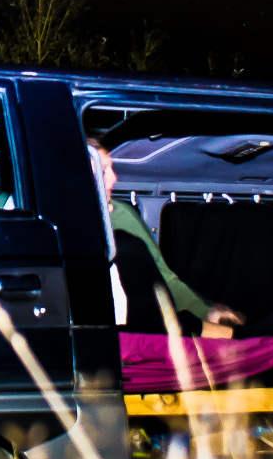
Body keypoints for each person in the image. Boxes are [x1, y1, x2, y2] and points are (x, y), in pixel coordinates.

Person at [89, 137, 245, 336]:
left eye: (111, 169)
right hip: (104, 322)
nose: (114, 178)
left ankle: (237, 336)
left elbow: (161, 276)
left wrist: (206, 312)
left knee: (127, 246)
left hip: (150, 317)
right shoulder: (54, 225)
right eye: (103, 171)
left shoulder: (119, 214)